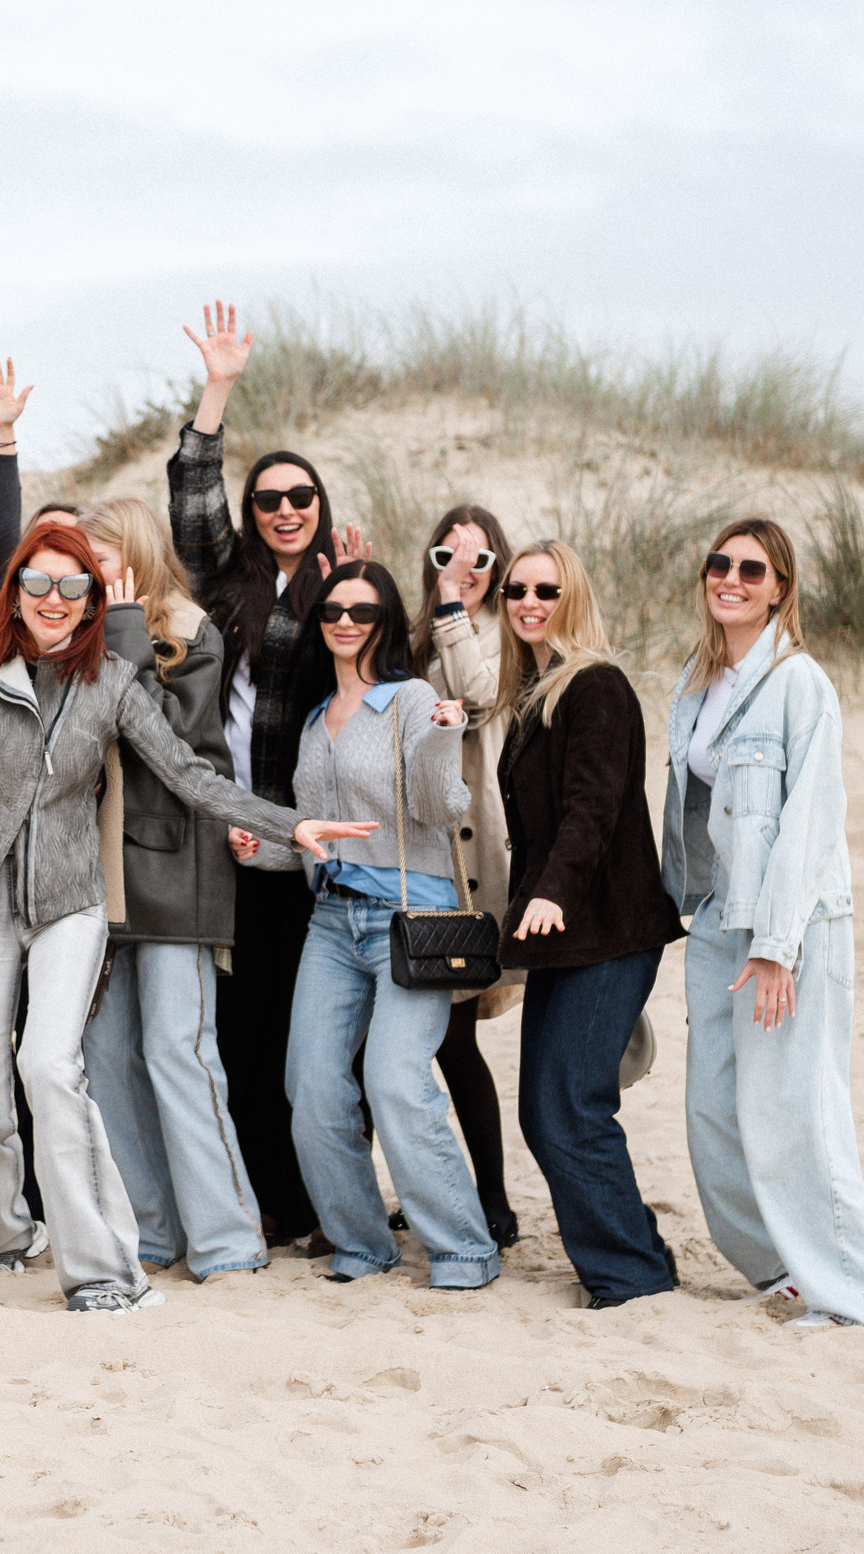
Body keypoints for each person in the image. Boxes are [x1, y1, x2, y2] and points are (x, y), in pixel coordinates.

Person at [0, 526, 373, 1312]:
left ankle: (101, 1270)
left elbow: (191, 772)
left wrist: (285, 823)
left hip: (69, 899)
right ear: (15, 587)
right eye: (39, 583)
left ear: (96, 599)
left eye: (73, 586)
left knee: (51, 1068)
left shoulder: (114, 680)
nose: (54, 601)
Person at [662, 520, 864, 1329]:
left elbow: (811, 820)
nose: (729, 578)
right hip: (718, 921)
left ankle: (862, 1296)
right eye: (718, 563)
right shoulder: (698, 686)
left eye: (750, 569)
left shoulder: (801, 683)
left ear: (779, 587)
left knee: (797, 1111)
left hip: (790, 927)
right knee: (712, 1112)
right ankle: (782, 1267)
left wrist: (777, 946)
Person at [167, 300, 369, 1246]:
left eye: (300, 498)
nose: (285, 510)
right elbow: (192, 497)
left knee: (316, 1046)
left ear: (321, 508)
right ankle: (264, 1202)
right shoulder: (226, 581)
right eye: (269, 499)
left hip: (316, 851)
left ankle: (325, 1201)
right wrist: (218, 389)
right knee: (243, 1037)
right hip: (232, 842)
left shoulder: (342, 592)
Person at [240, 561, 500, 1290]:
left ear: (385, 618)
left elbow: (439, 806)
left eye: (361, 609)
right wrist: (264, 844)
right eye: (332, 610)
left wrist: (443, 737)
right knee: (313, 1086)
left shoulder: (410, 697)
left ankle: (464, 1247)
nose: (345, 621)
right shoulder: (317, 713)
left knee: (394, 1080)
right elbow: (318, 832)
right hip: (331, 919)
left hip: (409, 916)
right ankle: (362, 1241)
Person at [77, 497, 268, 1282]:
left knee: (178, 1050)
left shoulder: (189, 630)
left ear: (139, 553)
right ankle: (153, 1231)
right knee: (104, 1054)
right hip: (94, 877)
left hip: (177, 867)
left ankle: (228, 1241)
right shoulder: (74, 632)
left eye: (102, 555)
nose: (88, 571)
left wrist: (123, 625)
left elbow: (173, 748)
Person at [495, 539, 688, 1308]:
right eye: (516, 588)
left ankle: (631, 1275)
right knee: (544, 1111)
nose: (529, 600)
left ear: (572, 595)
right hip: (565, 937)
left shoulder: (595, 685)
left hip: (606, 929)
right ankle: (636, 1249)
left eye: (546, 588)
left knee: (571, 1104)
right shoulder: (535, 692)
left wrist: (552, 891)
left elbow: (594, 805)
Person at [409, 504, 523, 1248]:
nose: (462, 572)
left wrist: (451, 603)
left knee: (452, 1036)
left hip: (469, 866)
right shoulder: (420, 632)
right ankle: (443, 1189)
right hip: (415, 853)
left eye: (479, 562)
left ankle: (492, 1199)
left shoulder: (501, 634)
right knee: (414, 1040)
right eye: (447, 556)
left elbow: (479, 695)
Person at [0, 354, 83, 618]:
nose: (55, 542)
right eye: (44, 533)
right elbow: (4, 532)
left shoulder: (99, 609)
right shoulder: (6, 600)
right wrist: (1, 431)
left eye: (69, 535)